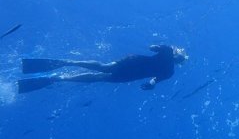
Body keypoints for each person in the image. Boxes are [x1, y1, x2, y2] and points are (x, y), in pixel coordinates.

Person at [17, 45, 188, 94]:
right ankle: (60, 77)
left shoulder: (166, 51)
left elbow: (152, 46)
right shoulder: (170, 72)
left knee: (103, 68)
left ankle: (67, 62)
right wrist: (150, 84)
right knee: (100, 76)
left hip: (133, 63)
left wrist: (161, 47)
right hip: (132, 73)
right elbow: (153, 82)